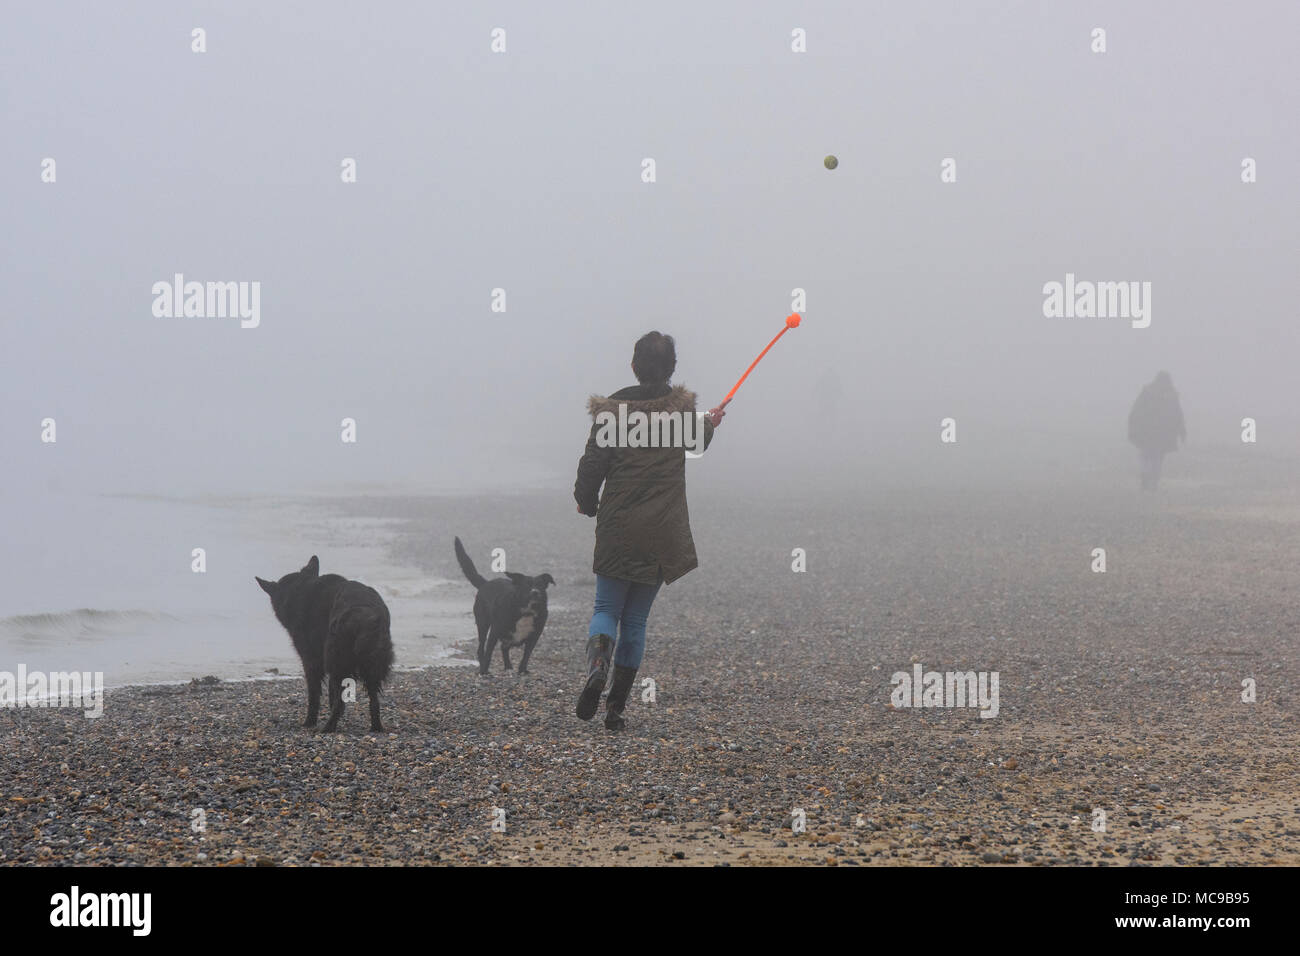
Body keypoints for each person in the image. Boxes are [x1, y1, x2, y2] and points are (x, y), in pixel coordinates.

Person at [572, 331, 724, 731]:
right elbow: (699, 440)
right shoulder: (681, 417)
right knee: (635, 621)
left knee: (606, 610)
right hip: (662, 533)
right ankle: (616, 709)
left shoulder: (612, 414)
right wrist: (710, 422)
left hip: (618, 528)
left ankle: (597, 668)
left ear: (634, 366)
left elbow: (591, 468)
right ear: (672, 369)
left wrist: (586, 503)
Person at [1127, 371, 1186, 491]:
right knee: (1158, 457)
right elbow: (1177, 414)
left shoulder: (1148, 392)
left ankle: (1146, 476)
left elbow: (1136, 411)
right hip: (1163, 433)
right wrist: (1182, 431)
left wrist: (1133, 426)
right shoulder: (1171, 395)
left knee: (1146, 455)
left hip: (1146, 431)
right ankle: (1153, 479)